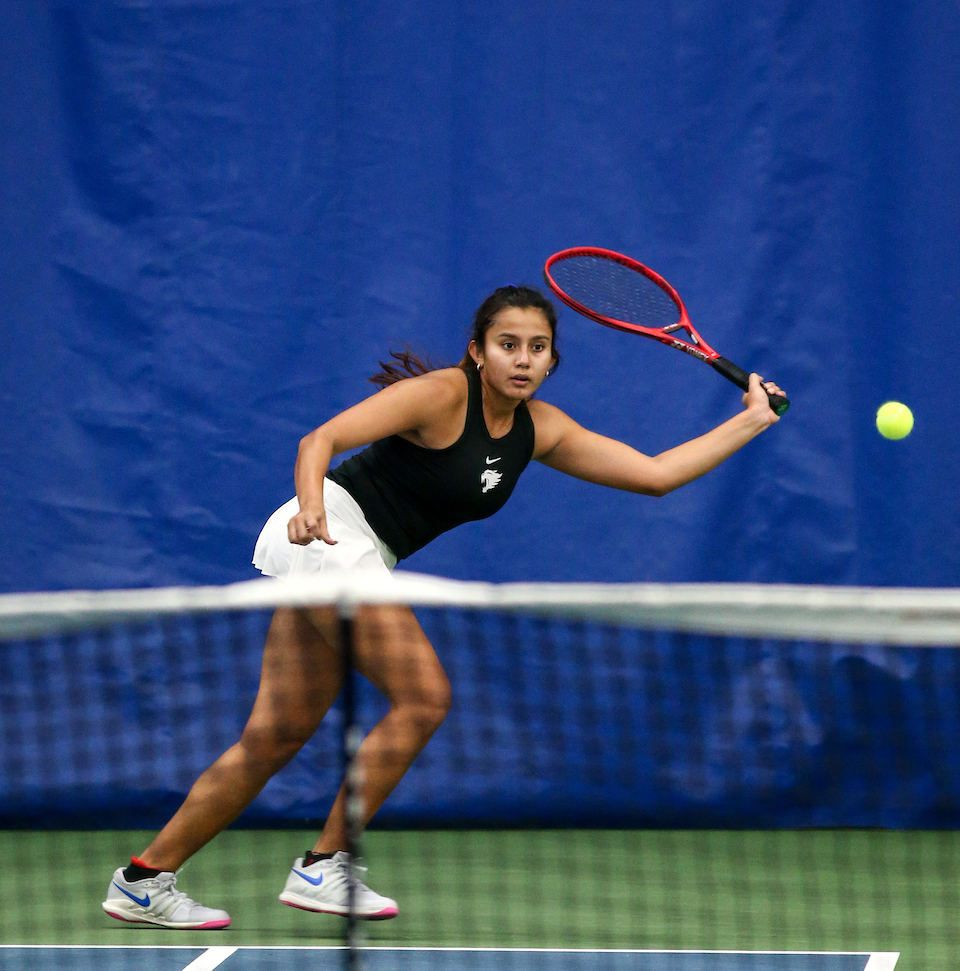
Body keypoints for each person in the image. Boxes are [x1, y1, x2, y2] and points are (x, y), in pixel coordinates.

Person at [102, 285, 785, 929]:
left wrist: (752, 420)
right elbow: (320, 441)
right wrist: (311, 506)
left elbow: (656, 476)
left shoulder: (538, 430)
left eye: (537, 347)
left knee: (275, 736)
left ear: (552, 359)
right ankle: (322, 866)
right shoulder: (436, 396)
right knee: (424, 697)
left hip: (350, 557)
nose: (522, 359)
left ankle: (142, 879)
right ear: (477, 351)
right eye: (507, 343)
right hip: (326, 533)